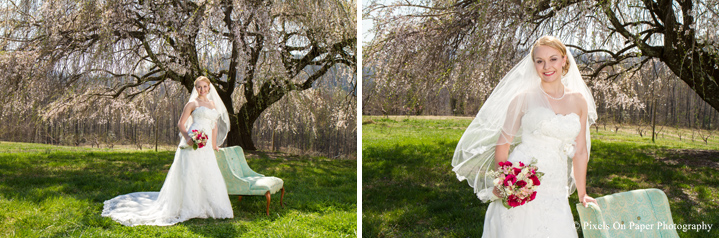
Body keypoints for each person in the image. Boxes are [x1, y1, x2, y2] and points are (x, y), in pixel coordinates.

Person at [451, 36, 598, 237]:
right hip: (522, 180)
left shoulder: (578, 101)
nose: (546, 66)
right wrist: (503, 182)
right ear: (534, 64)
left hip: (555, 185)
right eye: (540, 61)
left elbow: (580, 152)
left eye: (553, 59)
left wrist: (582, 193)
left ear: (564, 60)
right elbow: (503, 145)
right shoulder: (523, 98)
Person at [102, 76, 233, 226]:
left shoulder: (212, 104)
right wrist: (188, 139)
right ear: (195, 88)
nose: (202, 89)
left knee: (207, 172)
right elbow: (181, 124)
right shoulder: (192, 104)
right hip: (193, 140)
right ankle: (188, 206)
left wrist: (214, 145)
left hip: (206, 144)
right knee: (190, 172)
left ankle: (206, 205)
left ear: (209, 87)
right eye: (199, 87)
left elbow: (214, 126)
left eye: (204, 86)